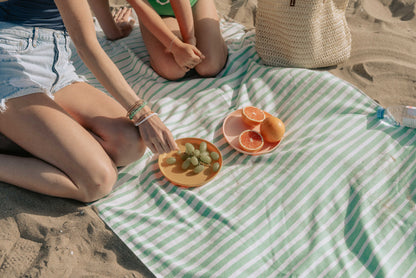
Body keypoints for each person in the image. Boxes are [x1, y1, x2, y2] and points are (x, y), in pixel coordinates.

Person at [0, 0, 178, 203]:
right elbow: (87, 46)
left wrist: (113, 29)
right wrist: (144, 114)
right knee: (97, 182)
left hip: (54, 60)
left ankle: (28, 136)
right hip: (9, 62)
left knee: (129, 143)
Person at [125, 0, 228, 80]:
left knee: (210, 67)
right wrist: (175, 47)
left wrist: (189, 40)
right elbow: (141, 6)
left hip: (195, 3)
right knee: (172, 70)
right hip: (156, 12)